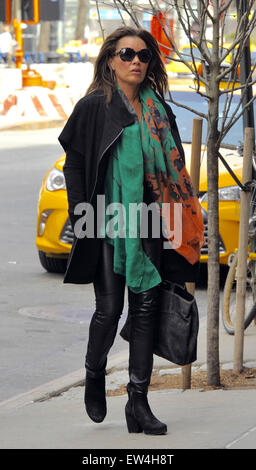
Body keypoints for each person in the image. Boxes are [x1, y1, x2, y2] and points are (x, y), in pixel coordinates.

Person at [58, 26, 204, 435]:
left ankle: (138, 402)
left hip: (151, 223)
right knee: (109, 310)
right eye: (126, 54)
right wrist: (80, 213)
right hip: (106, 221)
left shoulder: (159, 110)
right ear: (111, 60)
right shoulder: (94, 107)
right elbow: (74, 163)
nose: (136, 61)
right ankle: (94, 370)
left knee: (146, 311)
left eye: (143, 56)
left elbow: (176, 171)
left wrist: (185, 221)